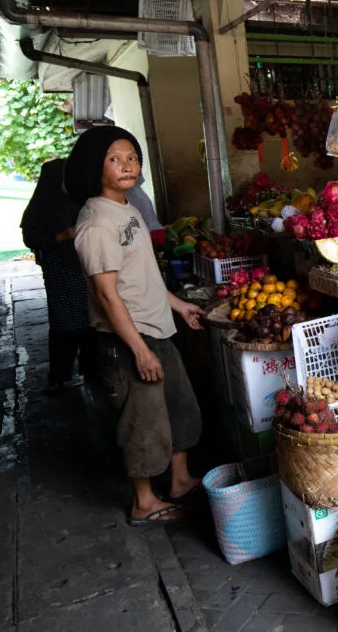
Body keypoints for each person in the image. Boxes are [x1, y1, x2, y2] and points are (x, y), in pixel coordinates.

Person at [65, 126, 206, 526]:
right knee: (142, 422)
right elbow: (109, 295)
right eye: (115, 159)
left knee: (179, 408)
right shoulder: (96, 223)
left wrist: (178, 306)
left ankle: (178, 481)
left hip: (158, 327)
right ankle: (144, 501)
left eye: (132, 157)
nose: (127, 165)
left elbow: (142, 275)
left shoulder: (127, 208)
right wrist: (139, 350)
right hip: (128, 339)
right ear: (96, 167)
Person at [20, 158, 97, 391]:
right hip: (60, 272)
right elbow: (31, 238)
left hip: (87, 268)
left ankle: (91, 371)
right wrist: (62, 236)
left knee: (92, 322)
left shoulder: (83, 200)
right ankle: (58, 376)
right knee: (65, 325)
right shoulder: (42, 206)